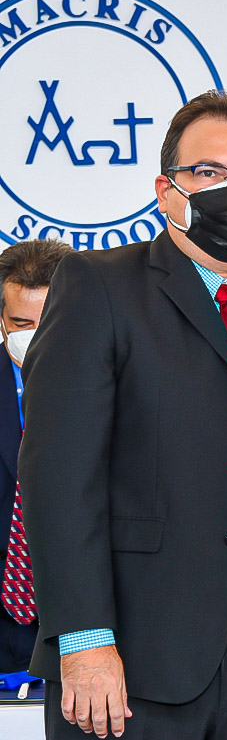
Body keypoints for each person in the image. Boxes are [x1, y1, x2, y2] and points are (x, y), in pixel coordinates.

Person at [19, 91, 227, 740]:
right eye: (209, 172)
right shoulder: (98, 286)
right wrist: (85, 640)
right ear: (167, 191)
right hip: (133, 661)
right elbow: (59, 477)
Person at [0, 239, 71, 673]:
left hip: (81, 625)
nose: (35, 336)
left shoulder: (120, 382)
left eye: (49, 320)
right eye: (20, 323)